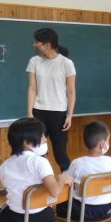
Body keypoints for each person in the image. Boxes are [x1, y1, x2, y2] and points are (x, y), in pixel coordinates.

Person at [59, 121, 111, 222]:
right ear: (102, 144)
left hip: (82, 212)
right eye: (108, 140)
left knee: (57, 204)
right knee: (102, 192)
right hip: (107, 209)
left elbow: (66, 182)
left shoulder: (78, 163)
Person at [26, 28, 76, 171]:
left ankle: (69, 182)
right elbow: (32, 88)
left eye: (37, 42)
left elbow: (71, 91)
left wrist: (69, 115)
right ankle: (40, 181)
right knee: (37, 152)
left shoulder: (66, 63)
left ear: (47, 44)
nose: (34, 44)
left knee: (60, 153)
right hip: (38, 112)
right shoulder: (34, 61)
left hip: (58, 114)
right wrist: (30, 114)